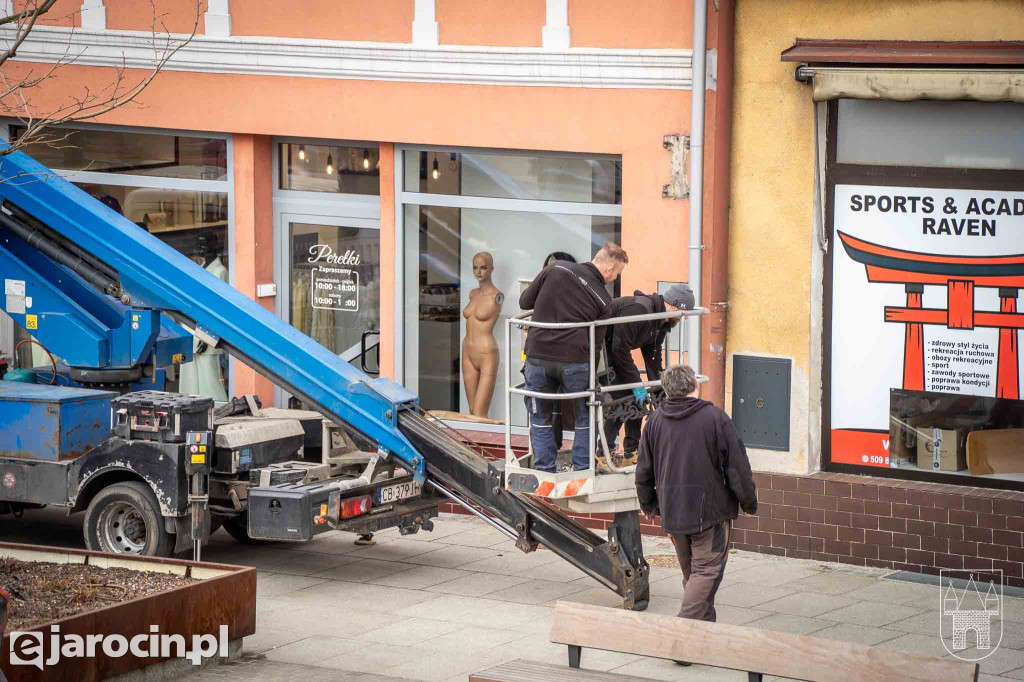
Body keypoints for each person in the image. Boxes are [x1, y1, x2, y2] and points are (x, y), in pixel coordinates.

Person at [635, 364, 757, 638]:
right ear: (695, 386)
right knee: (706, 573)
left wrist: (649, 505)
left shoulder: (654, 422)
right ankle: (683, 634)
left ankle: (702, 636)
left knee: (694, 576)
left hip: (673, 513)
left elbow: (643, 471)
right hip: (709, 515)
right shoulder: (715, 418)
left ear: (667, 389)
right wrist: (748, 503)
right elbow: (738, 467)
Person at [520, 242, 628, 472]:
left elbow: (524, 302)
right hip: (574, 361)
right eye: (617, 274)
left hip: (538, 356)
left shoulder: (556, 267)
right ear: (608, 269)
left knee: (539, 416)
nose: (615, 278)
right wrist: (593, 379)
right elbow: (595, 345)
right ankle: (582, 469)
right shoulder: (604, 300)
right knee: (585, 415)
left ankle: (544, 470)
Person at [601, 283, 695, 467]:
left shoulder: (660, 322)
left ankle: (631, 452)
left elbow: (652, 359)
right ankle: (603, 453)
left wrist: (660, 392)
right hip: (601, 352)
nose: (683, 318)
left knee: (639, 401)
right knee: (623, 398)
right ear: (675, 306)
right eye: (683, 314)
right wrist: (637, 384)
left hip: (616, 352)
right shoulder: (640, 310)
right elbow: (619, 349)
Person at [462, 252, 504, 418]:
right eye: (475, 267)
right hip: (467, 351)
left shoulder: (497, 296)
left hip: (486, 353)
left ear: (491, 269)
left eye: (483, 267)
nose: (479, 272)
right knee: (472, 410)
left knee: (480, 413)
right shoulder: (472, 294)